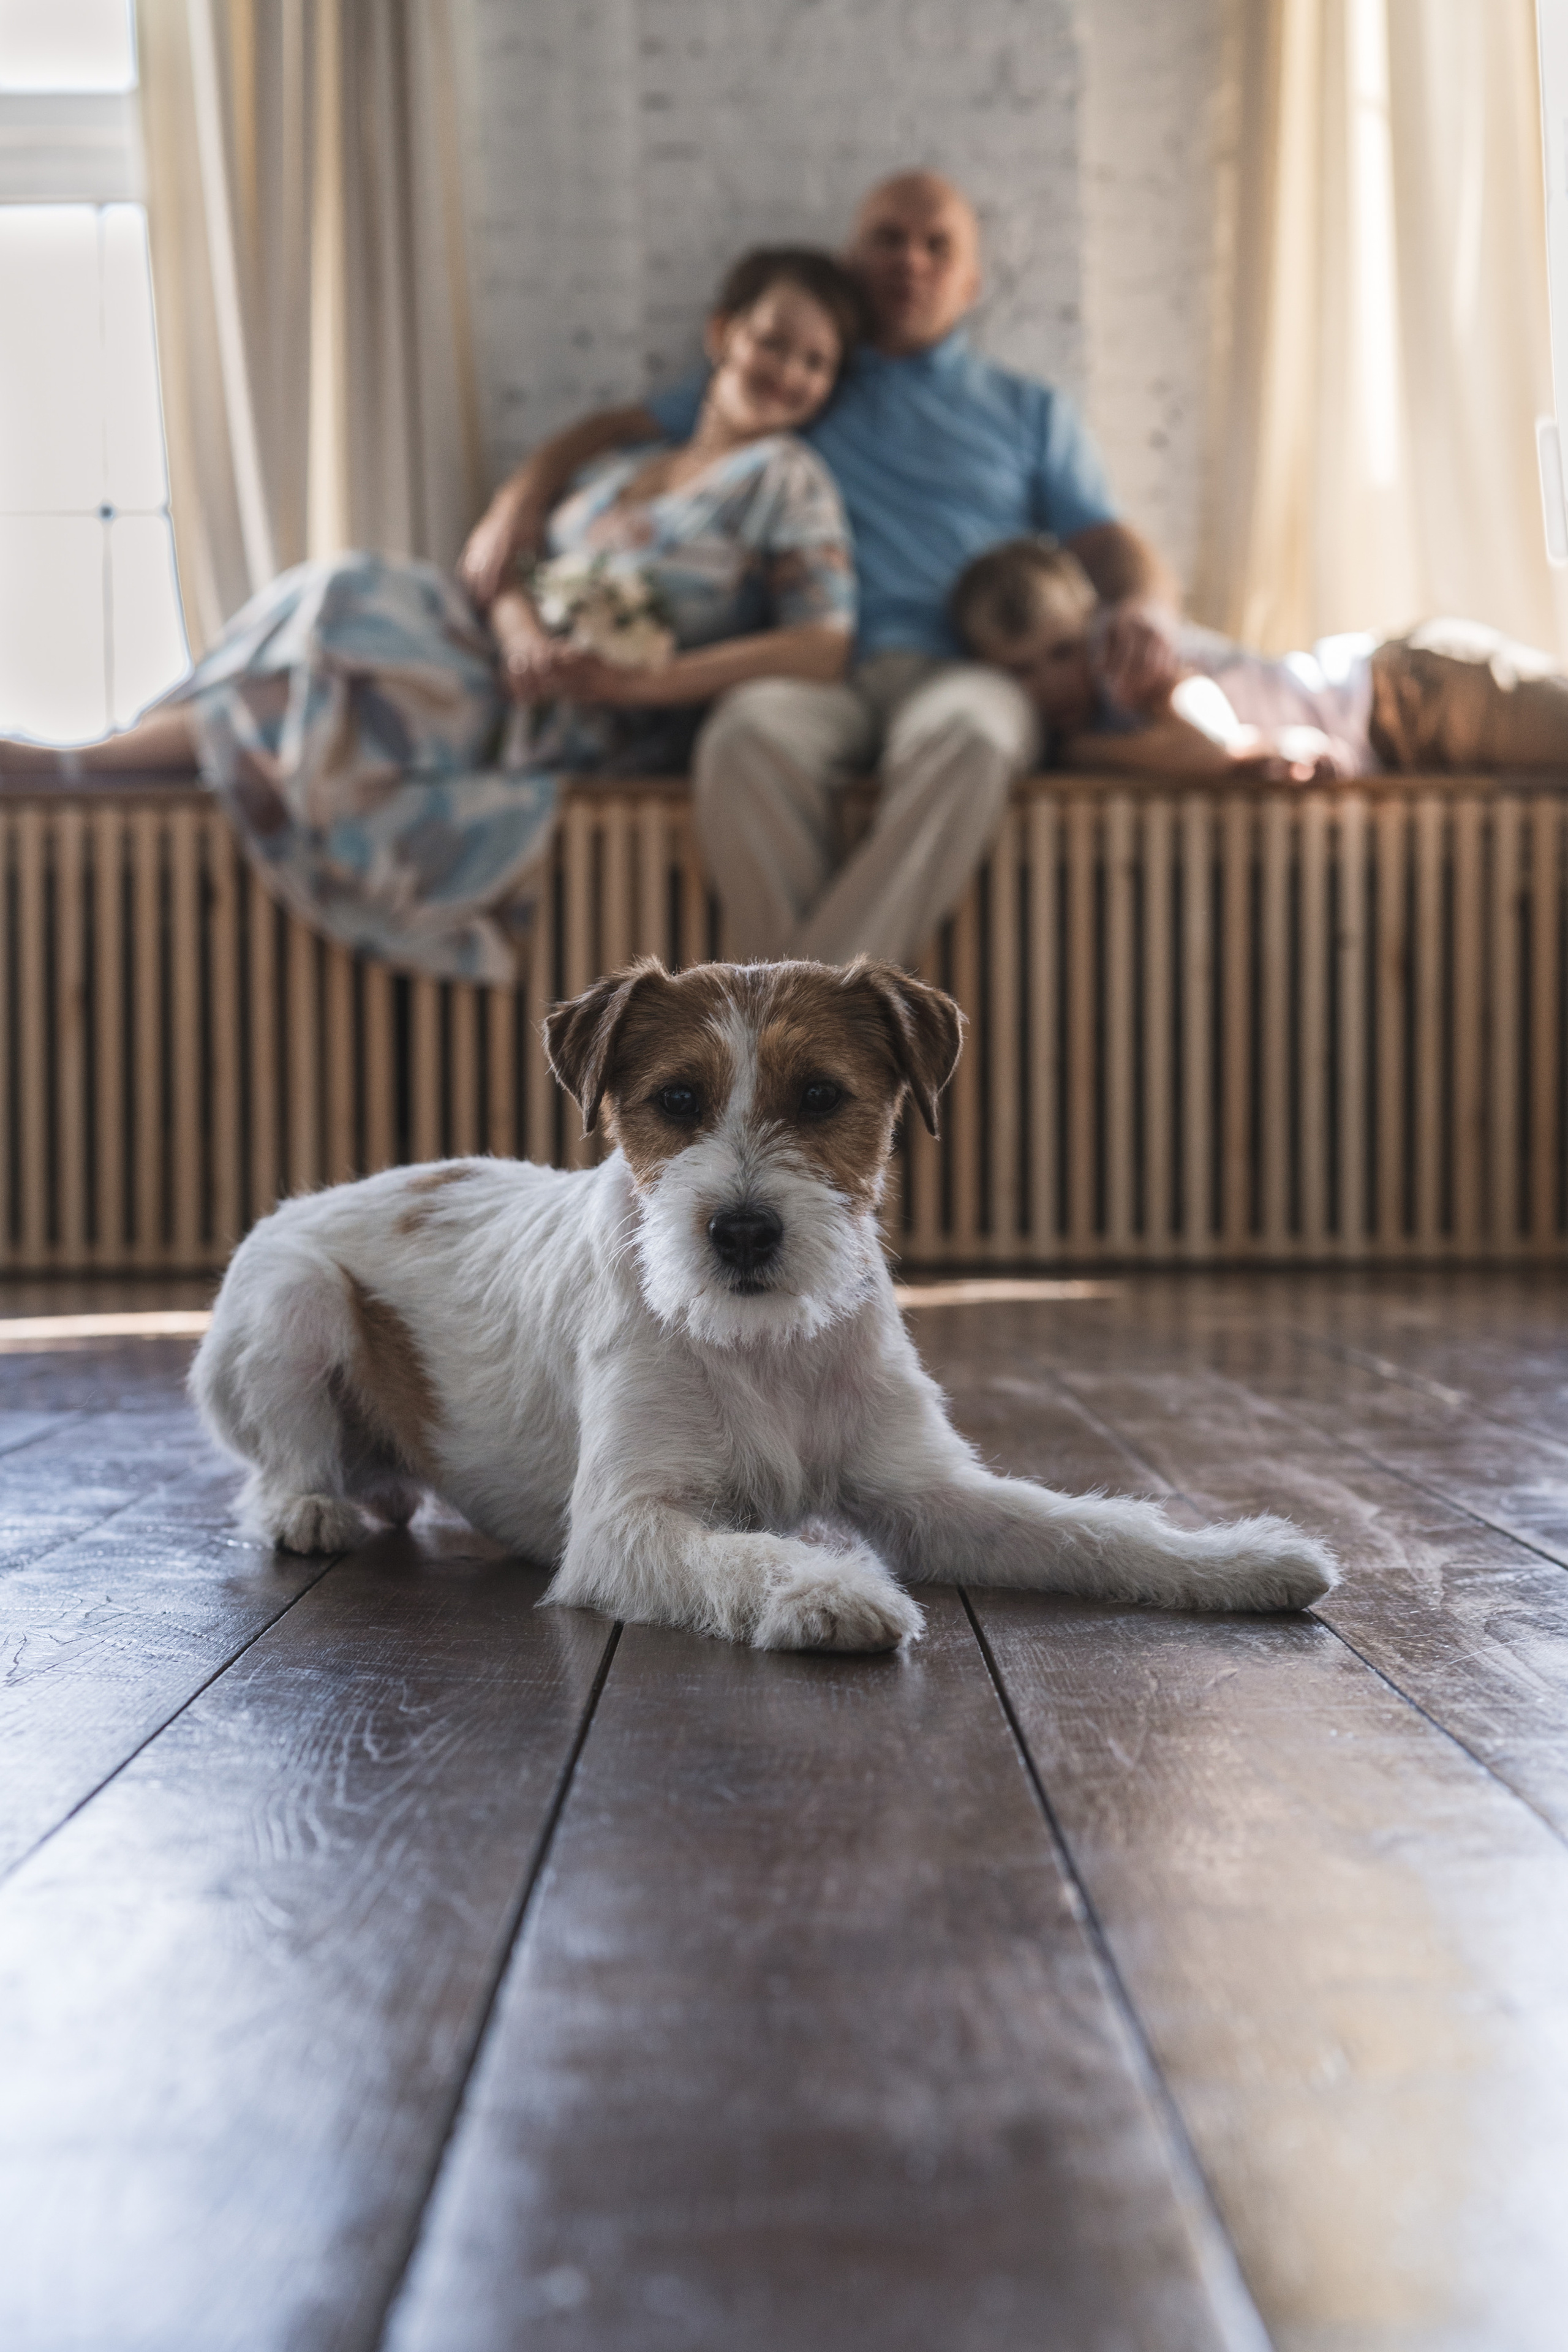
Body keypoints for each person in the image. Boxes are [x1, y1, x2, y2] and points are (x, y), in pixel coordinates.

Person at [1, 249, 865, 983]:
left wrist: (643, 683)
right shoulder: (623, 466)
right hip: (496, 650)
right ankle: (93, 760)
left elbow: (821, 645)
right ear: (723, 335)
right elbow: (518, 567)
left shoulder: (785, 479)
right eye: (772, 342)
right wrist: (521, 631)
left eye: (816, 363)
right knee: (338, 589)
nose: (787, 372)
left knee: (344, 647)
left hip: (581, 715)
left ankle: (85, 764)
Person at [461, 171, 1179, 969]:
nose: (910, 261)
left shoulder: (1029, 411)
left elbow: (1107, 542)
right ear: (852, 256)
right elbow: (615, 428)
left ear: (971, 284)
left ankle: (799, 1020)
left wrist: (1148, 605)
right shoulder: (801, 378)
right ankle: (824, 1025)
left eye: (937, 247)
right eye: (887, 239)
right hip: (815, 675)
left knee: (978, 736)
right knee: (742, 739)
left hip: (957, 672)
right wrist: (516, 502)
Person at [951, 536, 1568, 782]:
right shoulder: (1082, 731)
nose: (1051, 682)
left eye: (1061, 652)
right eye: (1021, 671)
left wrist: (1240, 746)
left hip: (1409, 692)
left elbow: (1191, 711)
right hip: (1393, 746)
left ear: (1090, 622)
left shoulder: (1120, 658)